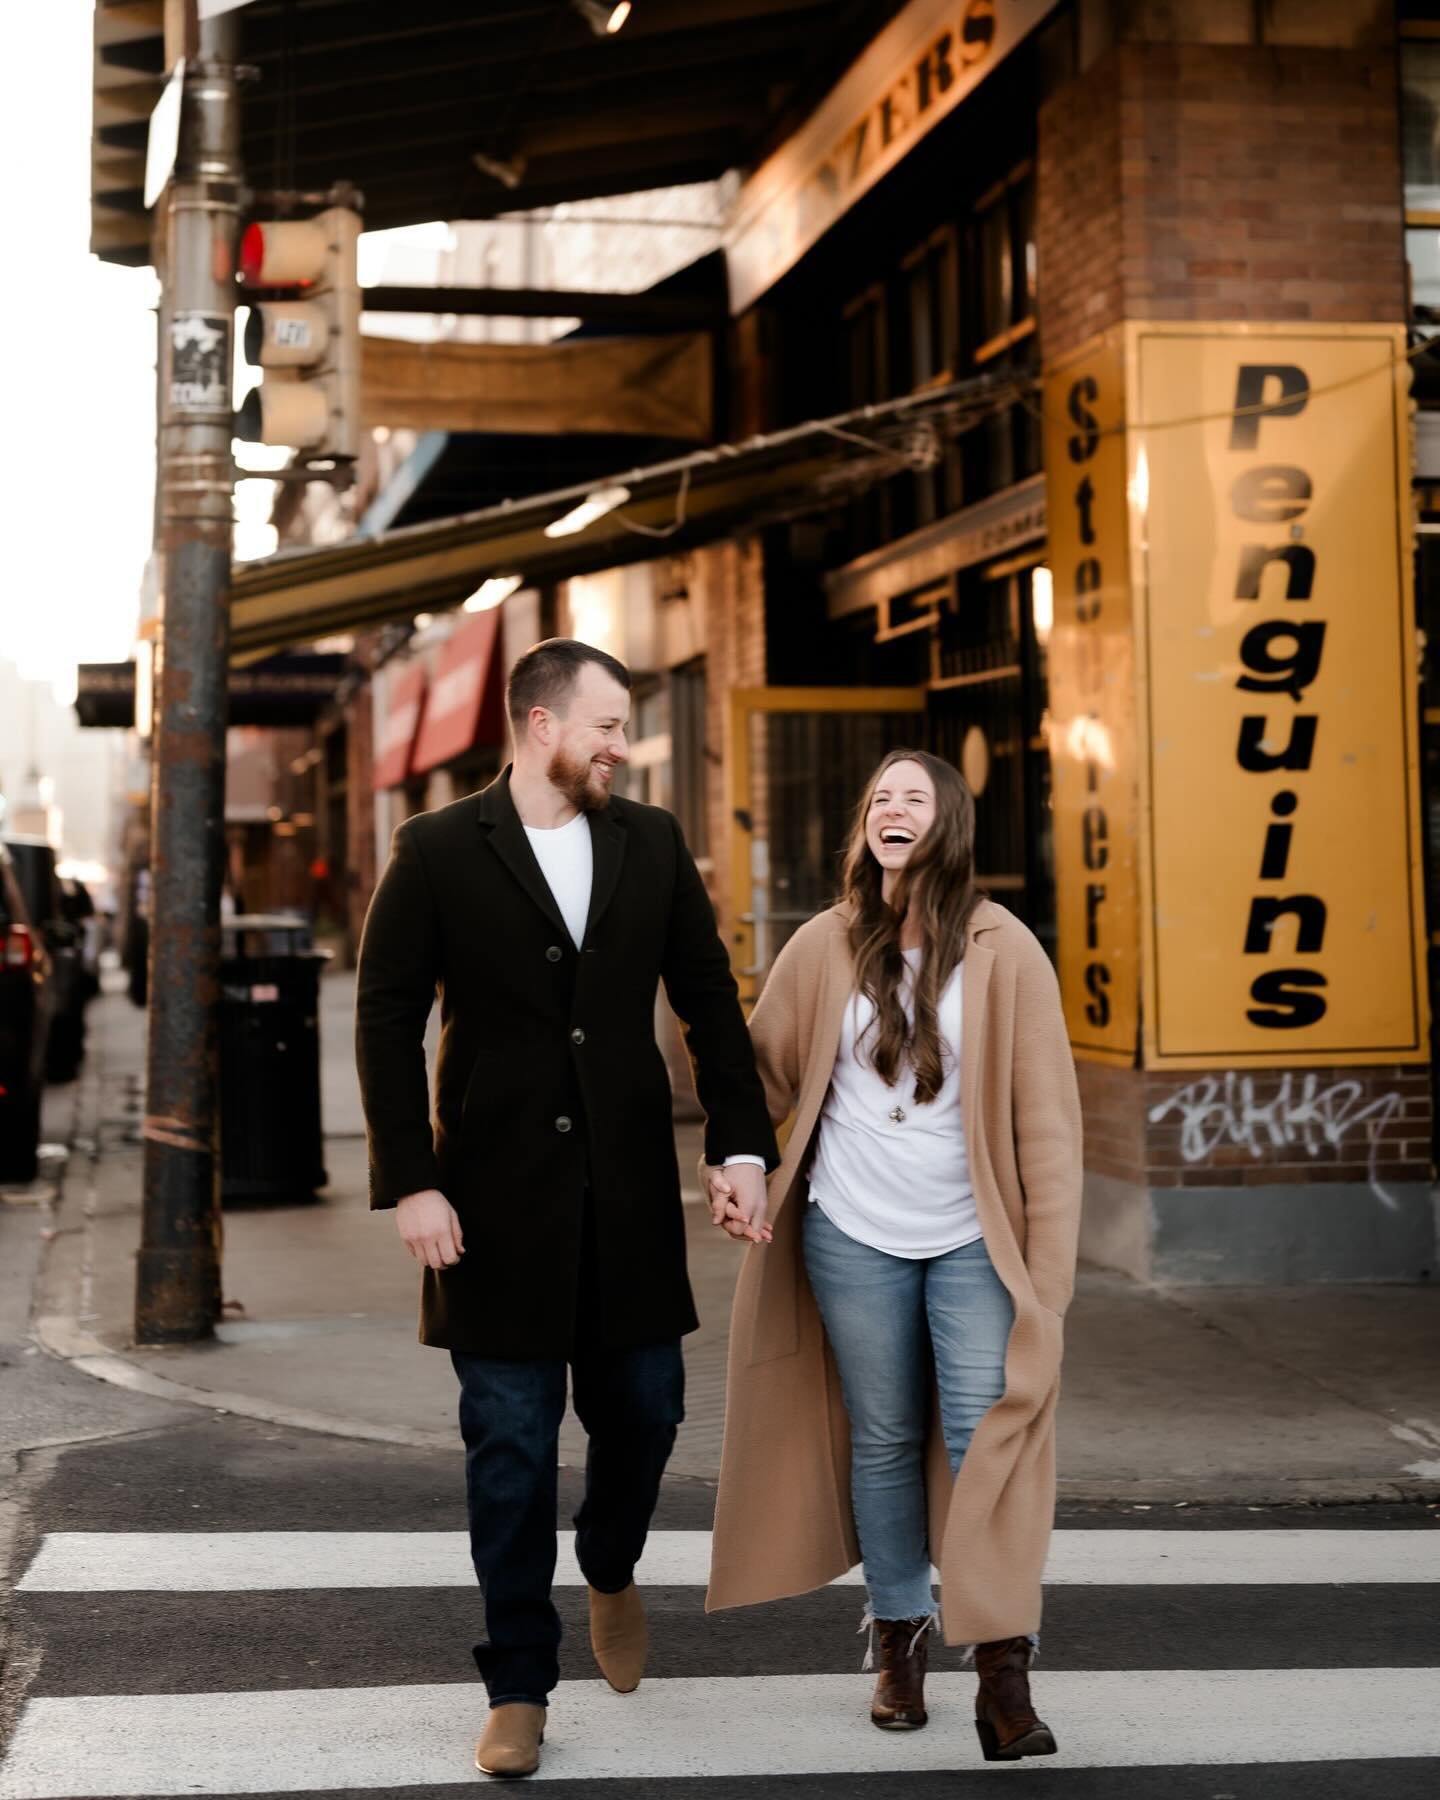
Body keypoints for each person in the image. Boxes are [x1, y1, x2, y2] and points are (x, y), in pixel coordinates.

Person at [356, 638, 777, 1780]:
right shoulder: (438, 849)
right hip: (488, 1209)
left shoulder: (649, 842)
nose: (620, 746)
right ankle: (519, 1685)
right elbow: (386, 1019)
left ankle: (608, 1558)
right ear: (541, 725)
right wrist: (413, 1180)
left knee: (646, 1414)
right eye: (605, 725)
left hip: (630, 1199)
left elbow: (707, 1001)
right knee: (508, 1453)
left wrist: (742, 1145)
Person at [704, 748, 1081, 1763]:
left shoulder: (1006, 950)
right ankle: (899, 1642)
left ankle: (1003, 1668)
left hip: (972, 1240)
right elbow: (761, 1076)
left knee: (982, 1436)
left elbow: (1048, 1127)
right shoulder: (824, 945)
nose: (893, 810)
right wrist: (666, 1004)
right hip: (849, 1233)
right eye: (880, 798)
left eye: (914, 797)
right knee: (880, 1435)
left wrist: (1046, 1283)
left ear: (947, 824)